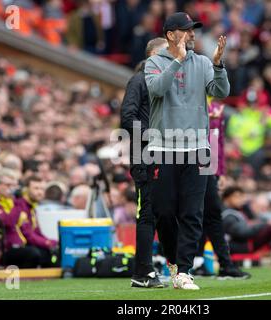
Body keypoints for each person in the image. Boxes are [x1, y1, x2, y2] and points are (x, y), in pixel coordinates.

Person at [144, 12, 230, 290]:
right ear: (171, 35)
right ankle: (173, 260)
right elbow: (157, 89)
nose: (192, 34)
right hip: (163, 147)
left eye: (193, 30)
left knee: (193, 212)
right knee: (165, 212)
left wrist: (218, 65)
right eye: (187, 30)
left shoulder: (203, 62)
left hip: (198, 148)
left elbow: (221, 92)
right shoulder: (154, 62)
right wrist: (178, 61)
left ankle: (184, 270)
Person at [121, 37, 168, 288]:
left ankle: (164, 266)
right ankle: (143, 272)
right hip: (145, 156)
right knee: (147, 213)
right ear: (152, 55)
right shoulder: (139, 81)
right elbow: (126, 118)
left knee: (162, 213)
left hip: (162, 155)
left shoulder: (162, 85)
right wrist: (154, 136)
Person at [194, 98, 251, 279]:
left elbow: (217, 143)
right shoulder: (194, 103)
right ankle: (222, 264)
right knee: (209, 216)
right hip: (196, 165)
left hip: (210, 169)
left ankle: (199, 263)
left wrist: (220, 171)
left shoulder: (217, 108)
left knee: (207, 217)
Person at [221, 188, 271, 269]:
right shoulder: (228, 215)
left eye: (241, 197)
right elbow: (242, 232)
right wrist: (263, 224)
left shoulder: (239, 211)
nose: (240, 200)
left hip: (244, 243)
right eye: (237, 197)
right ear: (227, 198)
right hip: (238, 246)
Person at [0, 168, 41, 268]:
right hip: (0, 251)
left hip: (17, 246)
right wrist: (17, 202)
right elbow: (7, 222)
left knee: (43, 253)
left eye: (14, 185)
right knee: (32, 254)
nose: (12, 189)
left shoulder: (11, 202)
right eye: (8, 185)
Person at [15, 175, 59, 267]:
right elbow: (28, 235)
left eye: (42, 189)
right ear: (26, 190)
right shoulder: (20, 205)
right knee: (37, 253)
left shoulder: (32, 207)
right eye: (36, 188)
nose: (40, 192)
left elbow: (37, 232)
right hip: (18, 247)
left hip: (28, 245)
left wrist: (51, 241)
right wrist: (48, 243)